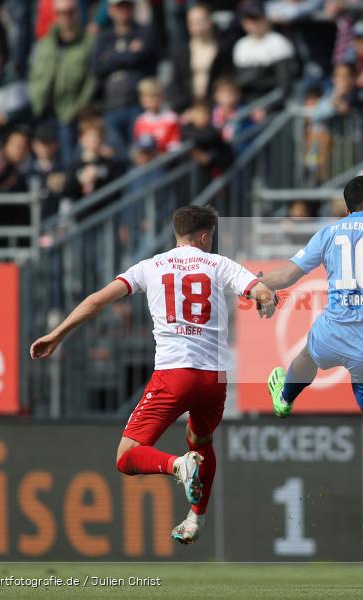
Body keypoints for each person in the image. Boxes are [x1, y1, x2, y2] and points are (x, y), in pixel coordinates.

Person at [30, 205, 278, 545]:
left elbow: (97, 301)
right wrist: (265, 299)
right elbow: (258, 289)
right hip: (213, 381)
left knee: (127, 456)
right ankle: (195, 519)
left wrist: (58, 333)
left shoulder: (151, 266)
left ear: (177, 232)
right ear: (205, 236)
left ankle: (177, 466)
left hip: (173, 376)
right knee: (200, 440)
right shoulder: (220, 264)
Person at [257, 175, 363, 538]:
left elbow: (289, 274)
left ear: (347, 208)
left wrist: (253, 284)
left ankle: (286, 398)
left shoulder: (329, 232)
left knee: (307, 353)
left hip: (334, 332)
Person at [29, 0, 97, 167]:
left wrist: (78, 106)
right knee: (41, 164)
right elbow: (32, 74)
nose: (65, 17)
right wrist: (35, 97)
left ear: (78, 13)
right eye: (60, 13)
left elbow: (92, 79)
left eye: (70, 12)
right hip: (41, 110)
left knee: (68, 163)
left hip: (68, 113)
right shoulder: (45, 43)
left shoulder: (88, 43)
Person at [91, 0, 158, 158]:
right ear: (111, 10)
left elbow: (140, 58)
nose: (123, 11)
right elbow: (97, 66)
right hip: (111, 107)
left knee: (139, 155)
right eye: (119, 7)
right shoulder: (105, 36)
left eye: (127, 6)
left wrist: (111, 56)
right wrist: (128, 54)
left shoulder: (144, 32)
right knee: (115, 155)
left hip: (137, 105)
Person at [168, 3, 234, 113]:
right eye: (192, 22)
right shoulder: (181, 52)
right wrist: (183, 109)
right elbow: (175, 84)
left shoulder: (223, 49)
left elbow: (227, 80)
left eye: (200, 21)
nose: (197, 26)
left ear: (210, 22)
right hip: (189, 109)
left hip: (216, 109)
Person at [232, 2, 298, 104]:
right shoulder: (241, 45)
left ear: (266, 19)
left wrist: (267, 107)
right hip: (247, 103)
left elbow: (284, 84)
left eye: (257, 19)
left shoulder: (278, 43)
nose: (254, 24)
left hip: (274, 104)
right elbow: (239, 82)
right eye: (249, 20)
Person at [132, 77, 181, 154]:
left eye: (152, 96)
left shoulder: (171, 118)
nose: (148, 100)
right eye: (144, 96)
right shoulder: (140, 121)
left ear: (162, 97)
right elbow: (138, 147)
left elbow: (174, 148)